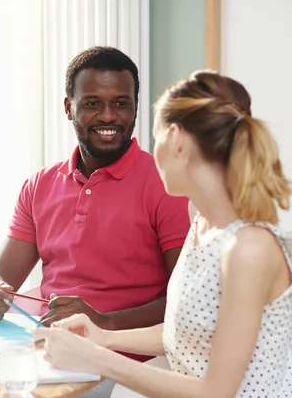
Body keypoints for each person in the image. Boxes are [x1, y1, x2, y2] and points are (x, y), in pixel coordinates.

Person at [35, 71, 292, 398]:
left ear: (176, 141)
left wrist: (97, 358)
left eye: (156, 141)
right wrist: (102, 337)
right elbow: (185, 333)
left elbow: (215, 393)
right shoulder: (200, 222)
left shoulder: (249, 249)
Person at [0, 47, 189, 344]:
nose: (108, 116)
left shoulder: (168, 184)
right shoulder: (39, 185)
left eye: (121, 103)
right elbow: (2, 277)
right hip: (46, 348)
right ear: (68, 107)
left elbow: (185, 301)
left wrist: (103, 323)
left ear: (136, 107)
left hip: (125, 358)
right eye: (92, 103)